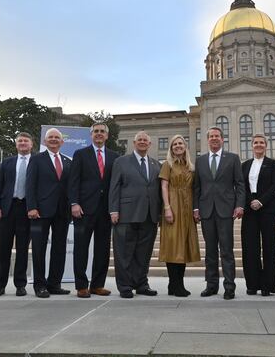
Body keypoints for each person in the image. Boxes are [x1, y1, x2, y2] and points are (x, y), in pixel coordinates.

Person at [67, 122, 119, 298]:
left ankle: (97, 285)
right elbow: (73, 181)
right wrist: (74, 203)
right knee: (81, 248)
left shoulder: (114, 156)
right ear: (91, 135)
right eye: (96, 131)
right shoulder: (80, 154)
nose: (99, 134)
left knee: (102, 250)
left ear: (107, 136)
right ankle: (81, 285)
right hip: (83, 209)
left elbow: (116, 184)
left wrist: (115, 208)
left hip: (105, 211)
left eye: (102, 131)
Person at [193, 126, 245, 300]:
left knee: (226, 251)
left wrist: (239, 205)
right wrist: (196, 208)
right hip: (206, 211)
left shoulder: (232, 158)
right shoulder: (200, 161)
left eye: (217, 136)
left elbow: (239, 184)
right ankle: (211, 285)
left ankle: (229, 286)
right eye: (211, 136)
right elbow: (197, 188)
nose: (214, 139)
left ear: (222, 139)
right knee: (210, 251)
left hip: (225, 211)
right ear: (207, 140)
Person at [108, 131, 162, 298]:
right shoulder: (121, 162)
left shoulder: (155, 164)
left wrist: (159, 214)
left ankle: (141, 284)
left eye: (145, 140)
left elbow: (158, 191)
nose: (142, 142)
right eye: (139, 140)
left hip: (149, 215)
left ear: (149, 144)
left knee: (143, 253)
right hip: (126, 214)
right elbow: (114, 187)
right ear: (134, 143)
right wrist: (114, 210)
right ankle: (125, 286)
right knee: (124, 252)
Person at [26, 128, 72, 298]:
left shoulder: (68, 161)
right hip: (40, 212)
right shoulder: (37, 160)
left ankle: (54, 284)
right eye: (50, 137)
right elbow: (30, 185)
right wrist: (31, 207)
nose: (53, 140)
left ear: (62, 142)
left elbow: (71, 187)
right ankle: (40, 285)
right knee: (39, 249)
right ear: (45, 142)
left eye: (57, 138)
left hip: (62, 212)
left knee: (59, 248)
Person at [0, 132, 34, 298]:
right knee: (3, 249)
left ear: (31, 144)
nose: (22, 143)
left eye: (25, 141)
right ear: (16, 145)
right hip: (6, 211)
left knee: (22, 250)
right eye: (20, 141)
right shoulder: (7, 163)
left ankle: (20, 285)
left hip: (27, 211)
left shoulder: (37, 162)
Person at [158, 135, 201, 297]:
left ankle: (177, 284)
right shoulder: (167, 164)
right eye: (174, 144)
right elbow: (164, 187)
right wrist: (167, 208)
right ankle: (174, 284)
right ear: (171, 148)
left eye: (180, 143)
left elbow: (195, 189)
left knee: (182, 246)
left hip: (187, 208)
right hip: (173, 206)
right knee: (173, 245)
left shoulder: (190, 166)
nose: (178, 146)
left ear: (185, 146)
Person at [241, 134, 275, 296]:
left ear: (266, 145)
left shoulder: (273, 164)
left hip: (267, 208)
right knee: (250, 247)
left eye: (261, 143)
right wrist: (251, 201)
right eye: (256, 142)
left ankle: (267, 285)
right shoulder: (245, 165)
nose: (258, 145)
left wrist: (261, 201)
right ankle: (252, 284)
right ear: (252, 145)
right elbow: (242, 186)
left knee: (269, 246)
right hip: (250, 209)